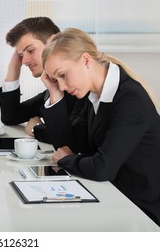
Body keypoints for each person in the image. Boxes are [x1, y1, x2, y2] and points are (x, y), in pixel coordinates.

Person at [41, 28, 160, 225]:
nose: (62, 85)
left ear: (86, 60)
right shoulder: (91, 94)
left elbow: (102, 168)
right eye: (56, 80)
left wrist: (67, 160)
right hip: (115, 194)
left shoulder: (129, 98)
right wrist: (54, 93)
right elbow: (69, 145)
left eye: (62, 75)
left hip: (142, 209)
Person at [0, 17, 86, 144]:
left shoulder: (80, 85)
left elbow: (76, 139)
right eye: (21, 55)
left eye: (30, 50)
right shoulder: (52, 86)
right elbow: (11, 116)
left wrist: (36, 128)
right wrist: (14, 67)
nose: (24, 61)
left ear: (53, 41)